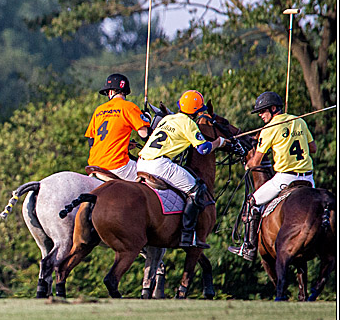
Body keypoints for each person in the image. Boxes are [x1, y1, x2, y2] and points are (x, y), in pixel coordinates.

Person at [228, 91, 316, 262]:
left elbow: (256, 161)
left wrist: (248, 164)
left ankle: (249, 247)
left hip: (285, 179)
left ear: (274, 108)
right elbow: (312, 149)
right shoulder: (299, 121)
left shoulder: (269, 128)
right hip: (308, 179)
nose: (260, 115)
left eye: (263, 111)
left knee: (251, 202)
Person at [135, 89, 229, 247]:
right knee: (198, 189)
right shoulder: (189, 124)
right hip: (159, 165)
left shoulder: (168, 118)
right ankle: (187, 236)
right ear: (198, 111)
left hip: (141, 162)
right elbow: (203, 149)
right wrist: (218, 142)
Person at [85, 73, 150, 180]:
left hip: (94, 164)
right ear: (125, 92)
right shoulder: (129, 107)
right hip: (117, 165)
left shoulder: (99, 110)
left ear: (110, 92)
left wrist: (125, 145)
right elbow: (145, 135)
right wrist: (147, 119)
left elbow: (92, 141)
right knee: (150, 176)